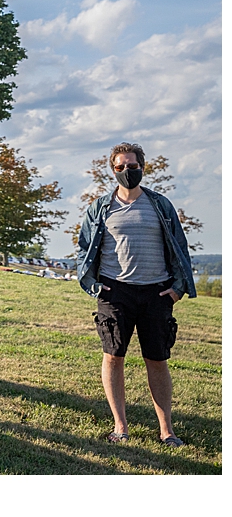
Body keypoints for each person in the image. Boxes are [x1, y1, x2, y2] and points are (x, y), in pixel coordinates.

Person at [77, 142, 196, 446]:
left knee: (156, 359)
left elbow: (179, 248)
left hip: (156, 293)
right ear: (112, 170)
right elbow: (84, 249)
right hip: (115, 291)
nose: (127, 171)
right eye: (120, 167)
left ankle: (167, 430)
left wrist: (178, 288)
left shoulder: (160, 205)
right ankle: (120, 426)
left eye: (132, 166)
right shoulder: (100, 207)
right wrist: (93, 285)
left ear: (143, 167)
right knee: (113, 357)